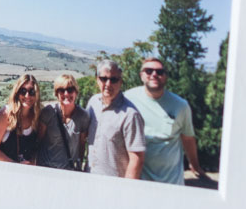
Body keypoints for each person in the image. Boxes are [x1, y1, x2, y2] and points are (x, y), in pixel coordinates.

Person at [125, 57, 204, 185]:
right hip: (139, 181)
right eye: (149, 71)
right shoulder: (128, 99)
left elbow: (188, 138)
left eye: (159, 72)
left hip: (171, 182)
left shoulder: (180, 105)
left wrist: (195, 165)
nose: (154, 75)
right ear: (141, 75)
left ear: (165, 76)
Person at [86, 60, 145, 178]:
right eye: (104, 79)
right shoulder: (93, 103)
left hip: (113, 186)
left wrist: (127, 189)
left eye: (113, 80)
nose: (108, 84)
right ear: (97, 80)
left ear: (120, 82)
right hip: (89, 179)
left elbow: (136, 158)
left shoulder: (130, 115)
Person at [37, 73, 91, 171]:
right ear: (56, 94)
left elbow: (81, 147)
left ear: (76, 92)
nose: (66, 94)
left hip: (68, 172)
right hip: (45, 170)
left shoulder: (83, 116)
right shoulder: (48, 112)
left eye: (70, 89)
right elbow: (38, 141)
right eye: (61, 90)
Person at [0, 72, 42, 165]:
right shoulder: (6, 114)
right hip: (0, 171)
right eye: (23, 91)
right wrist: (15, 165)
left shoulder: (37, 117)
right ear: (17, 93)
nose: (27, 96)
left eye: (31, 92)